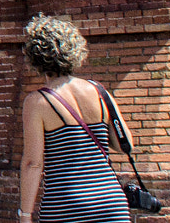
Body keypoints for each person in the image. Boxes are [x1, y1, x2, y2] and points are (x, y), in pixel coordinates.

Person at [18, 15, 134, 223]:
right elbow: (124, 144)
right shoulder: (99, 91)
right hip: (111, 202)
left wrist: (25, 215)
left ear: (35, 56)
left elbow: (33, 164)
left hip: (66, 205)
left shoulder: (38, 102)